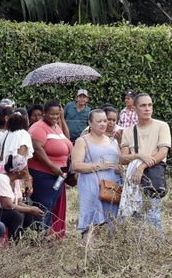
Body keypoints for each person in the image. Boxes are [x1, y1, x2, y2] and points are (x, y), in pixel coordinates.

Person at [119, 93, 171, 230]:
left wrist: (141, 167)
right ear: (135, 108)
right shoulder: (128, 131)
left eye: (150, 105)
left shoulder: (162, 126)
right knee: (135, 217)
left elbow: (163, 152)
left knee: (154, 216)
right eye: (143, 105)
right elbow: (123, 158)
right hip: (134, 181)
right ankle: (138, 249)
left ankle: (156, 250)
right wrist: (140, 155)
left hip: (153, 177)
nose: (147, 108)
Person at [71, 110, 121, 240]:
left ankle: (105, 255)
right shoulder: (82, 141)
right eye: (99, 121)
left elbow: (119, 161)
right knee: (91, 221)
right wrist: (99, 166)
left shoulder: (113, 141)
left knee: (110, 220)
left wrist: (121, 169)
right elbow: (76, 165)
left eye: (105, 121)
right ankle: (89, 255)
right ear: (90, 123)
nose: (103, 124)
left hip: (112, 187)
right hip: (91, 185)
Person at [28, 100, 73, 232]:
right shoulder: (38, 127)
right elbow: (37, 149)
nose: (55, 117)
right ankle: (39, 234)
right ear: (44, 113)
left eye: (57, 114)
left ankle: (45, 232)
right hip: (44, 174)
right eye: (52, 114)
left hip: (59, 174)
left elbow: (67, 138)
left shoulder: (56, 126)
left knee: (51, 204)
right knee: (44, 204)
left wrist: (62, 119)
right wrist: (52, 166)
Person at [0, 155, 44, 240]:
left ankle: (29, 240)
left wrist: (32, 208)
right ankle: (14, 242)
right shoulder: (1, 179)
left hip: (2, 209)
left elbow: (18, 202)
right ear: (18, 171)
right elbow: (7, 205)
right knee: (15, 215)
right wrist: (30, 209)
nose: (26, 172)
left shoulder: (15, 180)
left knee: (29, 213)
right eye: (25, 169)